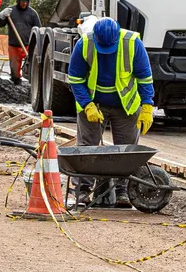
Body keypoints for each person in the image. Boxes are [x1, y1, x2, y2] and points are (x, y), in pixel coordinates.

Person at [66, 17, 155, 207]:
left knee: (126, 150)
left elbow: (145, 79)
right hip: (94, 104)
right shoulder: (85, 44)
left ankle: (123, 192)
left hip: (126, 106)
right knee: (87, 148)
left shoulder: (132, 44)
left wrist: (147, 106)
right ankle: (83, 191)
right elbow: (75, 78)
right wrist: (87, 105)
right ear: (96, 37)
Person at [0, 0, 41, 85]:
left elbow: (39, 30)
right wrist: (2, 17)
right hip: (14, 46)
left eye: (26, 1)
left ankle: (33, 87)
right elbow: (0, 24)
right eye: (22, 1)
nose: (24, 3)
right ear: (18, 0)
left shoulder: (33, 14)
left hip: (28, 46)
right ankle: (16, 86)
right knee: (15, 72)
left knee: (33, 69)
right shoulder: (10, 12)